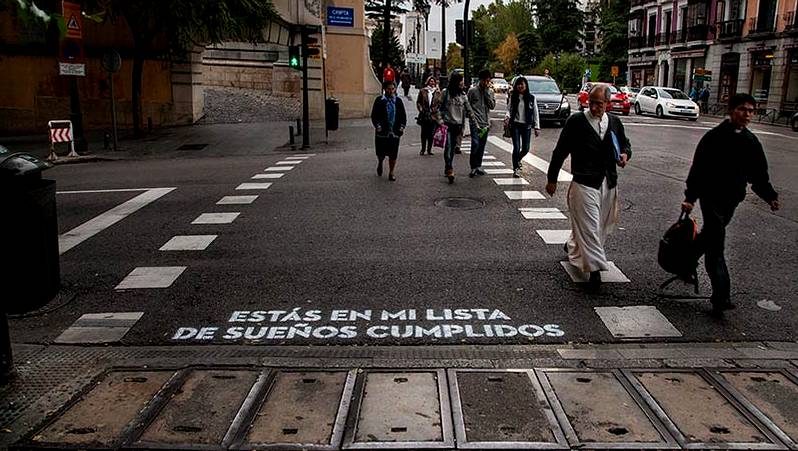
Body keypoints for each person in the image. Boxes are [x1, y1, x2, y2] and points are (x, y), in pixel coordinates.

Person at [681, 93, 779, 314]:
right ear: (731, 110)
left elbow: (758, 174)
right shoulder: (714, 138)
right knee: (716, 244)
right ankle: (721, 295)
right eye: (742, 109)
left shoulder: (751, 142)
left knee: (709, 237)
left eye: (751, 111)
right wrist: (690, 198)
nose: (747, 115)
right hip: (710, 197)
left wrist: (769, 195)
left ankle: (685, 261)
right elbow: (698, 170)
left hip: (731, 200)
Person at [546, 84, 631, 286]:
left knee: (600, 226)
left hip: (608, 183)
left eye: (598, 104)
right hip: (584, 182)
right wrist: (552, 178)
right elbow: (560, 151)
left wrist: (626, 154)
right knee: (591, 227)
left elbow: (625, 144)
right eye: (591, 103)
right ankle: (594, 271)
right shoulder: (576, 121)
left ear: (607, 104)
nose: (594, 107)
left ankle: (573, 245)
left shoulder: (615, 122)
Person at [438, 71, 474, 184]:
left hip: (458, 126)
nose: (463, 83)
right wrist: (440, 120)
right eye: (461, 81)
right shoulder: (446, 92)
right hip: (447, 123)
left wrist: (475, 123)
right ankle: (449, 169)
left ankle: (448, 165)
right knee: (448, 146)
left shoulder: (463, 95)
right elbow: (438, 107)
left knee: (452, 148)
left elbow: (469, 110)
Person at [370, 80, 407, 181]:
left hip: (394, 132)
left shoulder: (398, 101)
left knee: (393, 153)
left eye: (393, 89)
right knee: (381, 152)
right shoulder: (379, 100)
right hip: (382, 132)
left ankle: (391, 172)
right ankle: (380, 162)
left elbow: (403, 116)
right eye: (389, 89)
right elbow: (374, 115)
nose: (391, 91)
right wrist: (377, 125)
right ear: (385, 89)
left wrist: (402, 126)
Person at [504, 76, 540, 177]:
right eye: (518, 84)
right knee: (516, 147)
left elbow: (535, 113)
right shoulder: (513, 97)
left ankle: (517, 159)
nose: (520, 86)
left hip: (526, 125)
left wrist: (537, 127)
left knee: (526, 148)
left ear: (526, 85)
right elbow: (508, 109)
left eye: (522, 84)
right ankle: (516, 168)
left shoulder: (531, 98)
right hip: (515, 124)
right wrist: (507, 117)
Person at [467, 69, 496, 177]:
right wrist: (470, 118)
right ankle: (473, 166)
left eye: (488, 80)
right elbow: (468, 105)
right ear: (480, 80)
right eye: (485, 80)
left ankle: (478, 165)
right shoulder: (472, 91)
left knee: (481, 145)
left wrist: (487, 93)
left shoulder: (490, 91)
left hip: (485, 123)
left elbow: (492, 106)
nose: (486, 83)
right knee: (475, 143)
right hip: (475, 122)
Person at [416, 75, 442, 156]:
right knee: (424, 133)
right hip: (424, 114)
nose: (432, 83)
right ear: (428, 82)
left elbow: (440, 103)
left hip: (433, 115)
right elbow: (418, 102)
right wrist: (421, 109)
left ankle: (429, 149)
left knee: (431, 133)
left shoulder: (438, 92)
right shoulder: (423, 91)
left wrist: (436, 110)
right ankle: (423, 149)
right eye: (431, 81)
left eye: (433, 81)